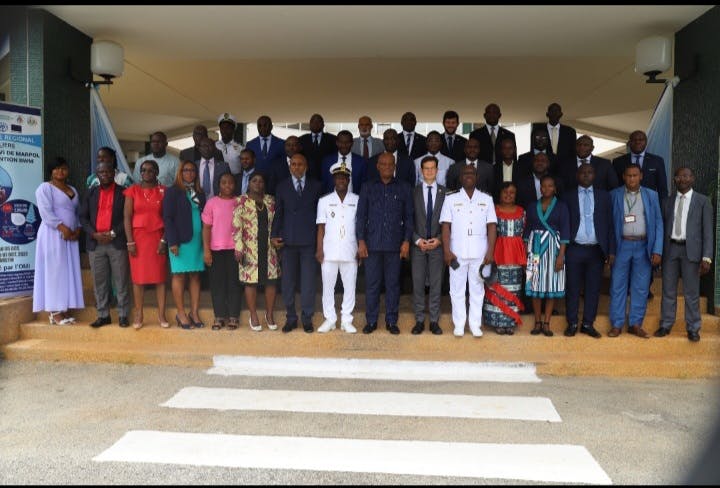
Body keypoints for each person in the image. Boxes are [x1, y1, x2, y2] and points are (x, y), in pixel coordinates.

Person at [357, 152, 414, 335]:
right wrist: (361, 241)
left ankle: (391, 321)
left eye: (391, 164)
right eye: (383, 164)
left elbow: (409, 217)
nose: (387, 167)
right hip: (372, 245)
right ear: (378, 166)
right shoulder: (367, 187)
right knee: (372, 284)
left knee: (392, 284)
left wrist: (406, 241)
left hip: (394, 246)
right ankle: (371, 321)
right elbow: (361, 217)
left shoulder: (404, 188)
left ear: (395, 166)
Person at [655, 167, 713, 342]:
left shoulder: (702, 201)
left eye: (686, 176)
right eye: (679, 176)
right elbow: (662, 228)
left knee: (691, 292)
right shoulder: (667, 201)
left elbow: (708, 232)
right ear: (675, 179)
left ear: (692, 178)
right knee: (668, 290)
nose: (683, 179)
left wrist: (707, 257)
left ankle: (693, 328)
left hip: (692, 252)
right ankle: (665, 324)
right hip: (670, 249)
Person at [607, 164, 663, 338]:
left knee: (640, 288)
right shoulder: (614, 194)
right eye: (628, 175)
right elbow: (609, 225)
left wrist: (658, 249)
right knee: (617, 286)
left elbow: (659, 223)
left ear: (641, 176)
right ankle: (616, 324)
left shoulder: (651, 195)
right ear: (623, 176)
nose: (632, 179)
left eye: (635, 175)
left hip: (643, 245)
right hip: (621, 245)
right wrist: (611, 250)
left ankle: (635, 324)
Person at [440, 164, 497, 337]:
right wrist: (447, 251)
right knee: (456, 289)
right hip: (457, 253)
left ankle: (475, 325)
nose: (468, 176)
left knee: (477, 289)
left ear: (477, 177)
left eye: (472, 173)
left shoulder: (486, 199)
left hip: (480, 253)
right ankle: (459, 324)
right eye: (465, 173)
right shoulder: (450, 199)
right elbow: (445, 227)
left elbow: (492, 227)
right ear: (460, 178)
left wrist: (490, 252)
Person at [561, 164, 614, 339]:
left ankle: (587, 324)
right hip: (574, 249)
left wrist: (610, 251)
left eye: (589, 172)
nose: (586, 175)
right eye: (582, 172)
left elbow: (610, 225)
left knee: (593, 289)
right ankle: (572, 323)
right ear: (577, 175)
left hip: (596, 250)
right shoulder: (567, 196)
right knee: (573, 288)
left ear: (595, 175)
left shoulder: (605, 196)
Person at [271, 153, 322, 333]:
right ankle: (291, 317)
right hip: (288, 241)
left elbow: (320, 217)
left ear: (306, 166)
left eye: (300, 164)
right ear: (290, 166)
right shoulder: (282, 186)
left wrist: (320, 242)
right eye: (293, 164)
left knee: (308, 282)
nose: (297, 167)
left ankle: (307, 318)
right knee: (288, 282)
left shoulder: (316, 186)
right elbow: (279, 213)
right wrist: (274, 235)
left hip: (309, 241)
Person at [79, 160, 130, 328]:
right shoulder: (90, 193)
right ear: (97, 174)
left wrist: (114, 233)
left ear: (114, 173)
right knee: (99, 281)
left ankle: (123, 315)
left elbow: (128, 217)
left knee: (120, 280)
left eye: (108, 172)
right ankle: (103, 315)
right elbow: (82, 217)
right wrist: (94, 234)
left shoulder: (124, 192)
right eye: (101, 172)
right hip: (95, 243)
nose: (105, 175)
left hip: (116, 242)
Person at [33, 157, 84, 325]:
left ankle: (63, 309)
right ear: (51, 171)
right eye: (56, 169)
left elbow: (77, 213)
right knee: (54, 271)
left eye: (63, 168)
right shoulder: (45, 188)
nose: (60, 171)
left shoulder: (73, 189)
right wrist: (63, 228)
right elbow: (45, 212)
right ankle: (54, 312)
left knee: (67, 271)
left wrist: (77, 229)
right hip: (52, 234)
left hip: (70, 237)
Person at [123, 159, 169, 330]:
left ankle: (161, 314)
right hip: (138, 239)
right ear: (140, 173)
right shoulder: (132, 191)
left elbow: (168, 218)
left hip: (157, 238)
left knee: (160, 278)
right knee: (138, 279)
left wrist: (164, 239)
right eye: (143, 170)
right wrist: (130, 241)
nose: (147, 173)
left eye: (151, 170)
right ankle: (139, 313)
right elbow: (127, 217)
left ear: (157, 172)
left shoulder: (164, 191)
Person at [523, 175, 570, 337]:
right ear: (540, 188)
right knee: (535, 286)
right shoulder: (531, 206)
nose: (547, 189)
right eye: (544, 186)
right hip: (535, 249)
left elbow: (565, 232)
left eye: (550, 186)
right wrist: (525, 253)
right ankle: (537, 321)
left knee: (551, 285)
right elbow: (527, 231)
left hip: (554, 250)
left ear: (555, 188)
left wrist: (561, 256)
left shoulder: (562, 207)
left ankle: (547, 323)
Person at [316, 162, 359, 334]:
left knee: (350, 287)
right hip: (329, 250)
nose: (341, 180)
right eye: (338, 178)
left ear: (349, 180)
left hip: (350, 250)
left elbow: (360, 227)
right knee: (328, 287)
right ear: (334, 180)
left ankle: (347, 319)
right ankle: (330, 319)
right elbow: (321, 227)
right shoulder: (324, 201)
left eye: (344, 178)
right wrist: (319, 249)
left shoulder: (357, 200)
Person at [233, 171, 279, 332]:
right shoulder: (241, 201)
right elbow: (236, 226)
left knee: (271, 281)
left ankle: (269, 314)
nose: (258, 184)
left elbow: (277, 222)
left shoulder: (271, 201)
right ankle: (253, 315)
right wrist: (238, 247)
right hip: (249, 248)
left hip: (269, 247)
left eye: (261, 181)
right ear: (249, 183)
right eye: (254, 181)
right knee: (250, 282)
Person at [163, 160, 206, 330]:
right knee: (179, 276)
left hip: (197, 241)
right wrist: (172, 241)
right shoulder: (173, 192)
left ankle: (194, 312)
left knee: (195, 276)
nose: (190, 173)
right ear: (180, 172)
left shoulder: (200, 193)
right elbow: (168, 218)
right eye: (186, 170)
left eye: (192, 170)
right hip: (179, 241)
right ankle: (181, 313)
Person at [482, 182, 526, 335]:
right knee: (496, 287)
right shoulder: (493, 209)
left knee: (513, 289)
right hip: (497, 254)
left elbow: (524, 235)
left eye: (512, 192)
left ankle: (510, 322)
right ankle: (498, 322)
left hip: (515, 256)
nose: (508, 195)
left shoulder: (522, 211)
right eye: (505, 192)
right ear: (499, 194)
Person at [410, 156, 447, 335]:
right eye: (426, 168)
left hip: (437, 246)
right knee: (417, 284)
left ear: (437, 170)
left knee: (436, 284)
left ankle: (433, 321)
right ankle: (419, 320)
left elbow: (449, 222)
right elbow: (407, 219)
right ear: (421, 171)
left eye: (433, 168)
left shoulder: (445, 193)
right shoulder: (413, 192)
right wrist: (417, 240)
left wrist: (439, 239)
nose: (430, 171)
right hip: (418, 246)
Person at [202, 172, 241, 331]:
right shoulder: (212, 203)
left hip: (234, 250)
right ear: (218, 185)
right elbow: (206, 228)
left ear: (235, 185)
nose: (227, 186)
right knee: (217, 284)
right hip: (216, 250)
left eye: (230, 183)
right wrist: (206, 250)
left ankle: (233, 316)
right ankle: (219, 316)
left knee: (234, 283)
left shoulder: (239, 202)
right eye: (224, 182)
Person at [612, 130, 668, 204]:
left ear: (646, 142)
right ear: (629, 143)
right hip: (625, 203)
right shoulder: (618, 162)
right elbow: (614, 186)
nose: (637, 142)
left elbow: (662, 188)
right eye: (634, 140)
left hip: (649, 203)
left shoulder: (657, 161)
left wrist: (662, 209)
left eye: (641, 140)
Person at [321, 129, 367, 194]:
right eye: (341, 142)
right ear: (337, 143)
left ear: (352, 143)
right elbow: (324, 184)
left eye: (347, 142)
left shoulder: (361, 162)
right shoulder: (327, 161)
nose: (344, 145)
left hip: (354, 200)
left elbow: (364, 185)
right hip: (331, 201)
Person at [298, 113, 337, 181]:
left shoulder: (333, 139)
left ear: (323, 125)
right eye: (313, 121)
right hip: (307, 178)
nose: (315, 123)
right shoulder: (301, 139)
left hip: (327, 176)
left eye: (318, 121)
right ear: (309, 125)